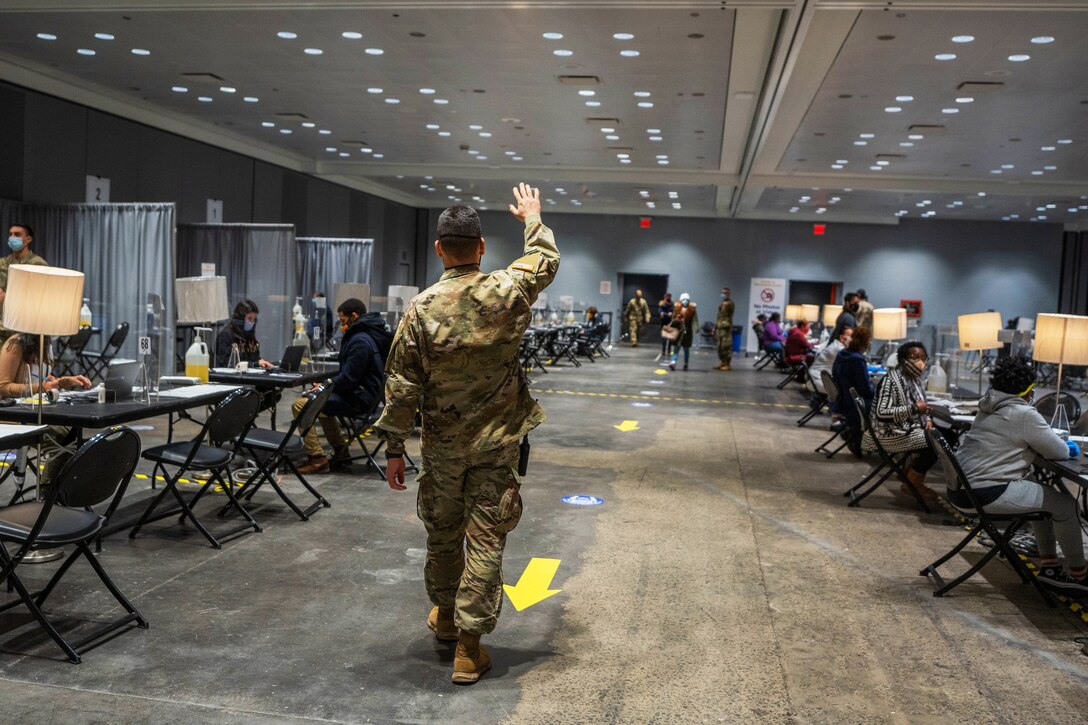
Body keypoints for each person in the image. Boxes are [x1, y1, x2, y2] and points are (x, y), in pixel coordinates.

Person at [377, 184, 559, 684]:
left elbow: (401, 387)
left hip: (442, 448)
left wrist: (395, 450)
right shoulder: (507, 290)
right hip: (497, 444)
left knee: (442, 533)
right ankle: (469, 648)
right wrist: (531, 217)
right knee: (486, 538)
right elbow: (544, 259)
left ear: (439, 248)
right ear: (480, 247)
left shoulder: (420, 309)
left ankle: (446, 618)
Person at [951, 357, 1087, 596]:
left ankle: (1050, 567)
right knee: (1066, 506)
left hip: (962, 491)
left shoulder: (988, 406)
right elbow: (1060, 451)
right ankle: (1080, 574)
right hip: (988, 493)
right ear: (1030, 390)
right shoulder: (1023, 413)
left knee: (1043, 495)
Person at [293, 298, 390, 474]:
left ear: (354, 316)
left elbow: (349, 378)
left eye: (343, 321)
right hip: (366, 396)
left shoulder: (359, 340)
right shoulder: (369, 333)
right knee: (320, 404)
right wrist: (325, 387)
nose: (342, 325)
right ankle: (341, 450)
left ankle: (317, 458)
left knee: (302, 405)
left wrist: (325, 386)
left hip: (360, 399)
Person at [0, 332, 92, 491]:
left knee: (72, 434)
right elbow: (2, 386)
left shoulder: (45, 342)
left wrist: (63, 382)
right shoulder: (16, 344)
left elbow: (43, 380)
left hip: (40, 409)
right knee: (64, 440)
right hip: (16, 412)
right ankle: (48, 493)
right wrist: (41, 387)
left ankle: (56, 491)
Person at [863, 341, 942, 502]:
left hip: (906, 428)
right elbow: (881, 413)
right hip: (886, 432)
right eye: (914, 357)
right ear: (902, 360)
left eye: (922, 357)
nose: (919, 362)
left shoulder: (916, 380)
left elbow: (922, 405)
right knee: (937, 441)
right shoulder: (892, 381)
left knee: (947, 436)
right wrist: (913, 409)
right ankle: (913, 483)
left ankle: (911, 477)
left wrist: (927, 419)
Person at [0, 224, 50, 345]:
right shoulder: (2, 263)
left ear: (28, 239)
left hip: (25, 327)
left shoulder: (38, 264)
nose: (12, 237)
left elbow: (39, 297)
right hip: (3, 324)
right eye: (10, 234)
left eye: (17, 234)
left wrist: (8, 297)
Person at [832, 326, 873, 458]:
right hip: (855, 403)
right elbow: (865, 388)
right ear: (867, 342)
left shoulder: (842, 354)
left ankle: (852, 432)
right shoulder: (858, 360)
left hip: (844, 399)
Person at [215, 299, 275, 369]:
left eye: (254, 319)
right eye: (250, 318)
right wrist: (254, 364)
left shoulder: (249, 336)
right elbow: (226, 363)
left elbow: (254, 357)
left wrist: (261, 362)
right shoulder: (226, 335)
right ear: (240, 318)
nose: (252, 322)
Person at [811, 325, 852, 395]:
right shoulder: (839, 348)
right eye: (850, 336)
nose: (852, 339)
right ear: (841, 337)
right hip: (817, 380)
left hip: (817, 378)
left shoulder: (837, 344)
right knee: (846, 391)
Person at [667, 293, 697, 371]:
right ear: (681, 300)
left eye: (687, 300)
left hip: (687, 332)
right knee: (676, 348)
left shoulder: (692, 310)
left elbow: (694, 320)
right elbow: (673, 319)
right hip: (678, 332)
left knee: (686, 349)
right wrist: (673, 323)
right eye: (684, 300)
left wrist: (696, 328)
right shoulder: (677, 309)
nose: (685, 301)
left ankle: (686, 363)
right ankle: (673, 362)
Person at [715, 287, 735, 371]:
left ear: (729, 294)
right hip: (720, 327)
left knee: (726, 346)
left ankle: (727, 364)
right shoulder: (722, 303)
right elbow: (719, 316)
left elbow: (729, 315)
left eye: (725, 293)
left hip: (726, 327)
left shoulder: (730, 303)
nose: (723, 294)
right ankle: (722, 362)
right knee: (719, 346)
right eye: (722, 293)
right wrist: (715, 327)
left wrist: (726, 305)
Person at [657, 292, 675, 361]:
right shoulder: (661, 303)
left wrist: (669, 314)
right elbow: (659, 312)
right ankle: (663, 351)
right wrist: (667, 314)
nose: (668, 298)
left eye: (669, 296)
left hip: (670, 323)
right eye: (667, 296)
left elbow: (674, 312)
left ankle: (669, 350)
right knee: (664, 337)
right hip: (664, 322)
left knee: (670, 338)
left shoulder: (672, 304)